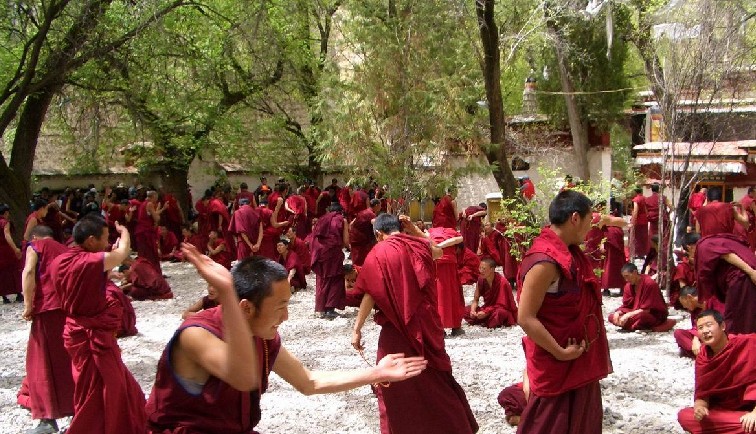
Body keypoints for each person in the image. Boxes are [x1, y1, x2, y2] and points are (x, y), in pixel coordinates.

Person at [145, 246, 427, 433]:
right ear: (246, 308)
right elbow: (243, 376)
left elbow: (308, 381)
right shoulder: (196, 334)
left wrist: (376, 373)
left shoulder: (261, 335)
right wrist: (226, 293)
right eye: (280, 307)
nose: (286, 317)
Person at [351, 213, 478, 434]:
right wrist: (416, 231)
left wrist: (357, 329)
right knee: (435, 378)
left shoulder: (378, 252)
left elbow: (370, 294)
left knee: (392, 380)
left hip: (396, 329)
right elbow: (438, 251)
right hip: (426, 324)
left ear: (378, 234)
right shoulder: (418, 245)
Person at [517, 190, 611, 434]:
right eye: (589, 220)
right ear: (575, 218)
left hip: (577, 357)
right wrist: (559, 353)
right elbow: (525, 318)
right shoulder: (545, 261)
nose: (590, 228)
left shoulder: (569, 253)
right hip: (557, 360)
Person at [49, 215, 146, 433]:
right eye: (105, 238)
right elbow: (122, 253)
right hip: (92, 331)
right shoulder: (90, 261)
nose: (107, 243)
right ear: (91, 240)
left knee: (91, 383)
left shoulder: (58, 262)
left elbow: (84, 284)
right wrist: (124, 231)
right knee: (109, 384)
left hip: (73, 329)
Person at [18, 225, 74, 434]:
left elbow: (29, 271)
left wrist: (27, 305)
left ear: (35, 237)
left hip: (46, 308)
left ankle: (47, 420)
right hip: (67, 308)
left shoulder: (35, 246)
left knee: (40, 362)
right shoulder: (65, 249)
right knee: (67, 360)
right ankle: (76, 410)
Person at [677, 310, 756, 434]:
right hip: (724, 412)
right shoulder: (703, 357)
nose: (705, 331)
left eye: (709, 325)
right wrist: (700, 408)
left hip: (751, 407)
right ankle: (743, 427)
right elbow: (702, 393)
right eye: (700, 328)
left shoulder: (747, 343)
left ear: (723, 326)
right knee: (684, 416)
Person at [690, 232, 756, 334]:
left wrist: (751, 272)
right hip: (742, 280)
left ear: (690, 247)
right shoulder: (720, 240)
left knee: (737, 320)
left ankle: (739, 342)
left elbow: (727, 254)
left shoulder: (705, 245)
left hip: (740, 280)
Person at [310, 203, 349, 319]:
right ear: (341, 211)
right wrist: (339, 247)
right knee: (336, 278)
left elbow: (314, 236)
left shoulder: (322, 219)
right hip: (332, 253)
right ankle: (330, 309)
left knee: (322, 279)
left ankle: (321, 308)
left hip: (320, 252)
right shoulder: (342, 220)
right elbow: (346, 241)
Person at [428, 226, 466, 336]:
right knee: (453, 293)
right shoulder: (452, 232)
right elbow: (459, 239)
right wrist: (442, 245)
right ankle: (455, 326)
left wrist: (438, 246)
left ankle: (439, 327)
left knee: (438, 295)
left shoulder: (430, 232)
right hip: (447, 264)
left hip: (436, 263)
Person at [608, 263, 668, 331]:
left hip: (652, 315)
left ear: (635, 272)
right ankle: (631, 324)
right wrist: (618, 312)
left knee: (641, 317)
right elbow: (626, 306)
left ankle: (629, 324)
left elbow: (647, 309)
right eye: (624, 277)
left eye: (627, 276)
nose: (626, 280)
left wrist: (628, 315)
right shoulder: (628, 286)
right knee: (612, 317)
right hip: (634, 312)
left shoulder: (649, 284)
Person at [464, 258, 517, 328]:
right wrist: (473, 311)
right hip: (487, 308)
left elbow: (502, 305)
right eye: (480, 268)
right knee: (466, 310)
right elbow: (476, 300)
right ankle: (487, 321)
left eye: (484, 269)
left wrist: (486, 313)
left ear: (492, 269)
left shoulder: (502, 282)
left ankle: (486, 320)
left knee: (499, 313)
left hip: (499, 309)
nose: (481, 271)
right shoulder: (481, 279)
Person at [674, 286, 726, 359]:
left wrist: (696, 338)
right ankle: (705, 353)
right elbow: (696, 328)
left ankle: (705, 354)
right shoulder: (695, 310)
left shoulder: (713, 301)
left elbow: (721, 322)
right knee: (678, 333)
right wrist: (696, 338)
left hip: (717, 334)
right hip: (703, 337)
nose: (684, 307)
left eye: (683, 303)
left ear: (689, 297)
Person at [135, 190, 166, 271]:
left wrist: (162, 209)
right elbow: (156, 218)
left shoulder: (143, 204)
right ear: (153, 197)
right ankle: (153, 271)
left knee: (143, 253)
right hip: (147, 232)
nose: (156, 200)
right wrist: (160, 208)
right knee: (151, 253)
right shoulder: (150, 204)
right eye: (156, 198)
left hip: (141, 231)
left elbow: (152, 214)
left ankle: (144, 271)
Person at [0, 204, 22, 304]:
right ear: (5, 212)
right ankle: (18, 293)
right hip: (6, 249)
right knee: (13, 270)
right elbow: (7, 235)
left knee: (2, 272)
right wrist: (15, 249)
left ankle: (4, 296)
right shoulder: (5, 222)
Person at [349, 199, 380, 266]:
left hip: (354, 237)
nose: (380, 207)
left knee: (356, 257)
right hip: (361, 240)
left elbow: (351, 224)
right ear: (376, 205)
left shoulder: (363, 211)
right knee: (361, 260)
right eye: (380, 206)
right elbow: (376, 225)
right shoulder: (371, 214)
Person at [630, 187, 650, 259]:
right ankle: (644, 252)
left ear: (635, 192)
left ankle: (638, 253)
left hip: (638, 220)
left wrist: (633, 220)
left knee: (637, 237)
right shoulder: (645, 198)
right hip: (645, 220)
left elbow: (635, 211)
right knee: (644, 237)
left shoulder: (636, 200)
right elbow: (647, 209)